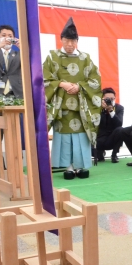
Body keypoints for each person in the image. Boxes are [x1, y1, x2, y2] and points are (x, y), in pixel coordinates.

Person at [44, 17, 101, 180]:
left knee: (80, 137)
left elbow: (95, 79)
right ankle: (68, 167)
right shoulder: (52, 57)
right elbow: (44, 78)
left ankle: (81, 166)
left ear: (77, 41)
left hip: (81, 106)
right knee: (64, 138)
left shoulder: (85, 58)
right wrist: (61, 84)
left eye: (72, 41)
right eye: (66, 40)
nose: (69, 44)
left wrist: (80, 86)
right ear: (61, 39)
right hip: (61, 105)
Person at [95, 87, 124, 163]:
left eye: (112, 99)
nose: (110, 101)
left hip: (111, 139)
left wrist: (111, 111)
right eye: (108, 99)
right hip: (99, 138)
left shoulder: (119, 108)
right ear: (102, 99)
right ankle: (99, 153)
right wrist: (102, 110)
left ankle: (114, 154)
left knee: (121, 130)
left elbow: (119, 124)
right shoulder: (97, 108)